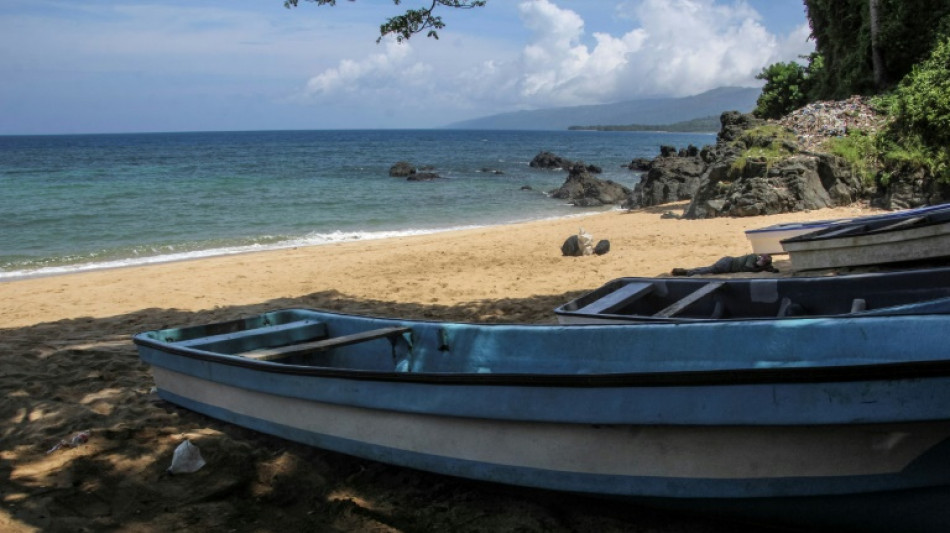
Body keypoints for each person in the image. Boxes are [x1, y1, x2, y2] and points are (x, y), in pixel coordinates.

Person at [671, 253, 778, 276]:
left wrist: (770, 268)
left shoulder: (759, 261)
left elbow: (767, 267)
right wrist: (762, 268)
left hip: (729, 265)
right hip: (728, 263)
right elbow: (748, 268)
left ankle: (686, 271)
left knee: (708, 269)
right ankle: (687, 272)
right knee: (709, 270)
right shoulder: (753, 257)